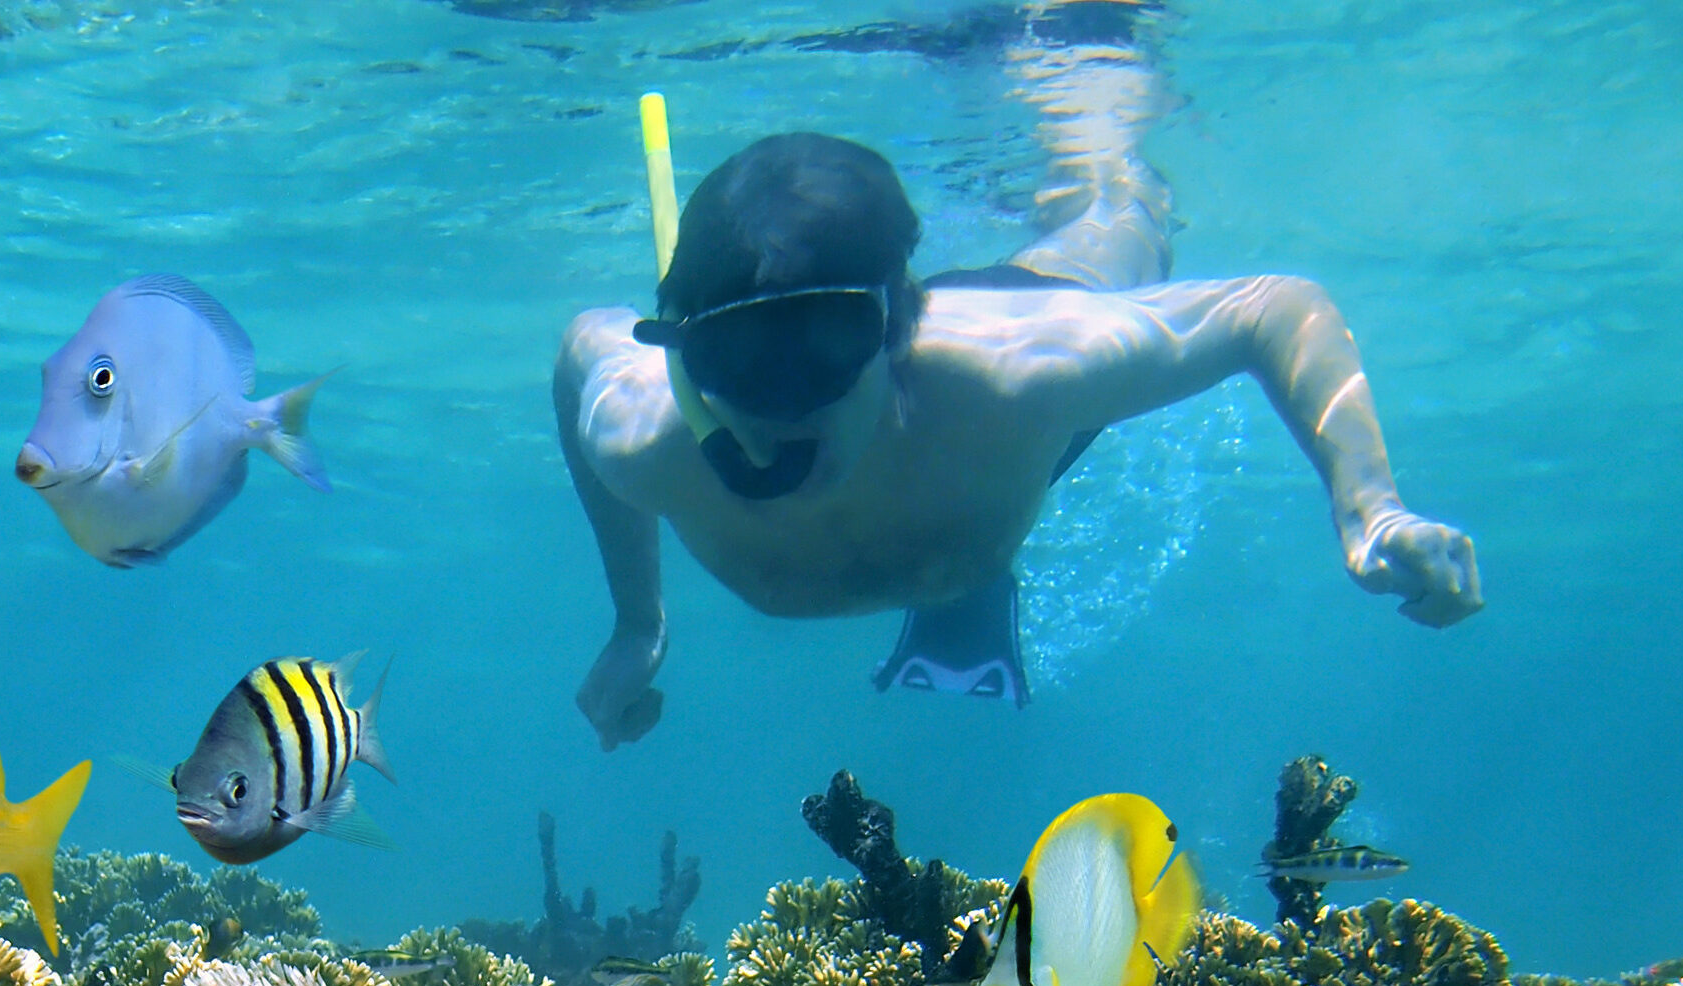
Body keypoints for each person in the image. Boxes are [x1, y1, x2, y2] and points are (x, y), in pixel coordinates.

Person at [553, 32, 1481, 747]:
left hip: (1000, 351)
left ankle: (1091, 103)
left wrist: (1371, 508)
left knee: (1118, 220)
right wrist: (638, 620)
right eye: (738, 368)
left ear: (894, 330)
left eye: (822, 355)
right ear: (685, 357)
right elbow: (580, 352)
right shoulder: (647, 438)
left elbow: (1272, 306)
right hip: (945, 432)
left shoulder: (1025, 375)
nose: (778, 411)